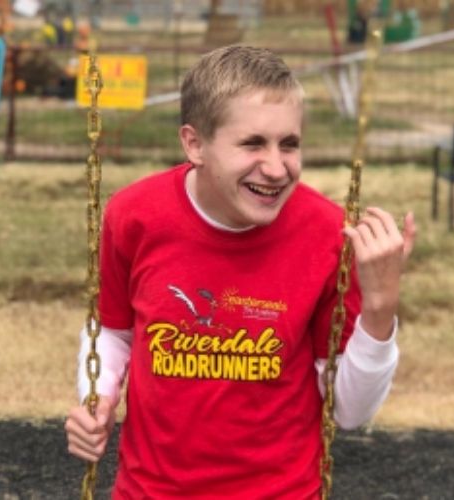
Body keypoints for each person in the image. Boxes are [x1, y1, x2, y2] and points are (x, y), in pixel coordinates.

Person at [65, 45, 416, 499]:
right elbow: (113, 333)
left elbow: (348, 411)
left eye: (289, 144)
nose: (275, 168)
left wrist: (381, 306)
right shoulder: (134, 216)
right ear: (195, 144)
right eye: (252, 143)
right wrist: (100, 396)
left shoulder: (330, 235)